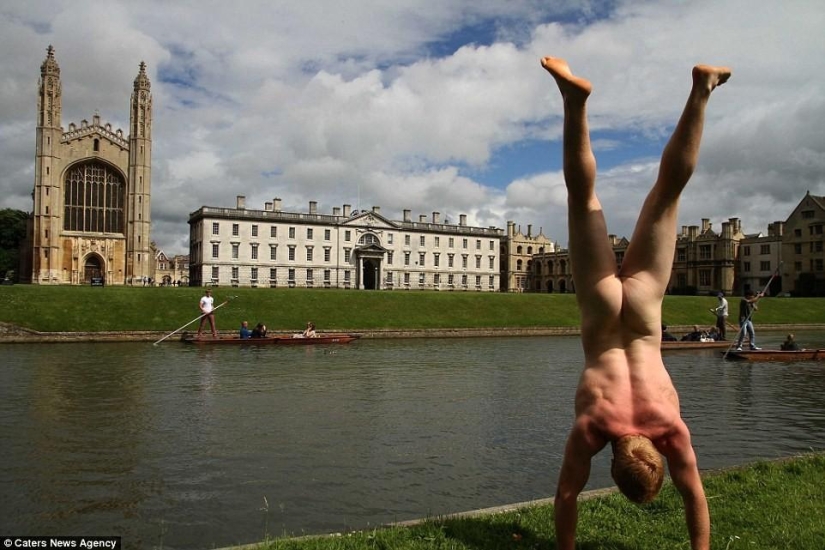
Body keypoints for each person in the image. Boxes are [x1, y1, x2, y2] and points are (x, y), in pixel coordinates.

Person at [541, 55, 730, 550]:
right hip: (602, 313)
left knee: (667, 194)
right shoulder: (592, 427)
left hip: (644, 308)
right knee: (583, 198)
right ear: (613, 461)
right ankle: (573, 102)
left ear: (657, 458)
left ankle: (703, 88)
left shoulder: (671, 430)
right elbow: (566, 495)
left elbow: (695, 496)